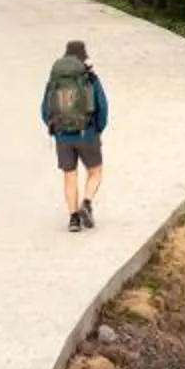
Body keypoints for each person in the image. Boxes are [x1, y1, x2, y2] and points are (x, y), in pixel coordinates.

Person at [41, 39, 110, 231]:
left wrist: (55, 128)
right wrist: (98, 129)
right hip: (87, 133)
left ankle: (73, 219)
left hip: (63, 136)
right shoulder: (89, 77)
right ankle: (86, 203)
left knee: (69, 176)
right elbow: (102, 106)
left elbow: (45, 109)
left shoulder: (55, 79)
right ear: (84, 56)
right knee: (95, 172)